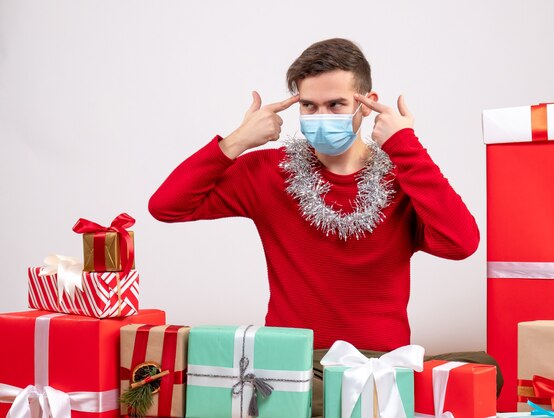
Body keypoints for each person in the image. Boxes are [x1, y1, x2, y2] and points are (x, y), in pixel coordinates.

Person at [149, 38, 501, 416]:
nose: (321, 116)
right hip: (298, 362)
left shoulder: (403, 176)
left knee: (484, 371)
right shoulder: (269, 171)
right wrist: (237, 141)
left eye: (335, 104)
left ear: (366, 104)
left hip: (380, 363)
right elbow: (166, 206)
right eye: (309, 105)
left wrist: (404, 145)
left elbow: (462, 242)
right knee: (314, 397)